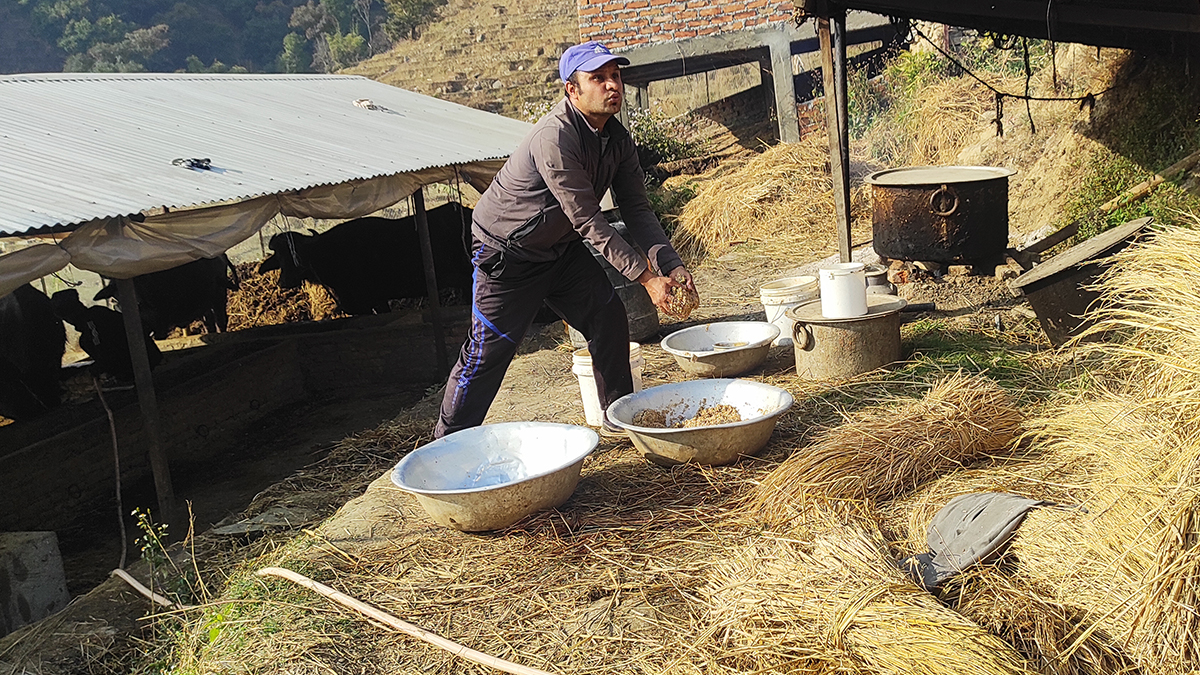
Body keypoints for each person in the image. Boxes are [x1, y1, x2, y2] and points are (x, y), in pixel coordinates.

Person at [434, 41, 698, 439]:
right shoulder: (554, 138)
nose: (613, 86)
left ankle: (619, 417)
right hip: (508, 255)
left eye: (616, 76)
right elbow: (589, 219)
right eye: (598, 78)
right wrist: (646, 279)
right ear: (571, 90)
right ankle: (445, 446)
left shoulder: (617, 140)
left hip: (559, 249)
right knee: (488, 354)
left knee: (607, 315)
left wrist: (670, 265)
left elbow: (638, 210)